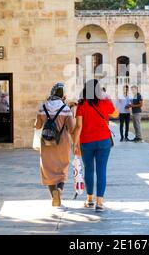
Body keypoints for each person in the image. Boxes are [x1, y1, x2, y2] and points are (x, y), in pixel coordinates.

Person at [73, 79, 118, 212]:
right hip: (104, 141)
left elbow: (78, 126)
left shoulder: (82, 105)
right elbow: (116, 114)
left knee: (89, 169)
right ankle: (100, 202)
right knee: (101, 170)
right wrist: (109, 100)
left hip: (86, 142)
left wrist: (75, 144)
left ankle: (90, 200)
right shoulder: (105, 103)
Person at [35, 83, 76, 207]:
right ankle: (59, 190)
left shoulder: (43, 107)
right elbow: (71, 128)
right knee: (62, 168)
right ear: (62, 95)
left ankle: (53, 196)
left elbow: (37, 126)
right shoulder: (65, 108)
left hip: (46, 143)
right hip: (62, 143)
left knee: (47, 169)